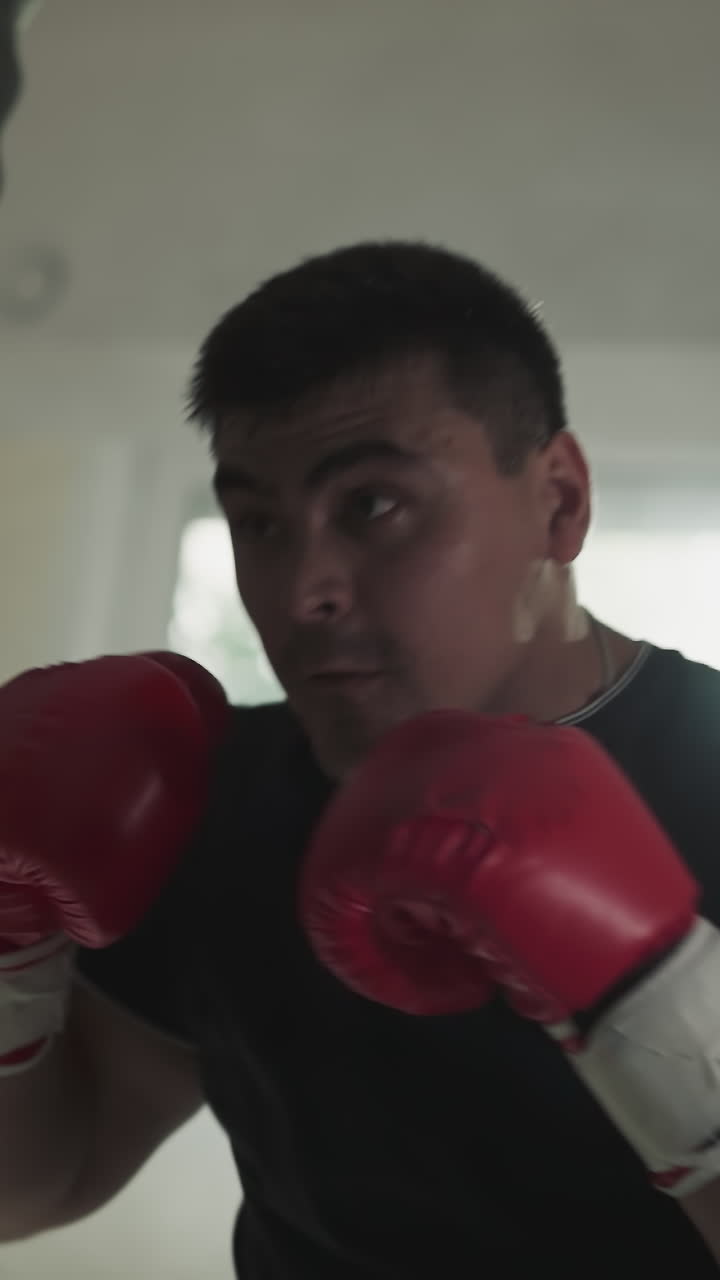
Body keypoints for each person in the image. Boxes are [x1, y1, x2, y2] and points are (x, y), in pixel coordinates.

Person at [3, 238, 720, 1277]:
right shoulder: (220, 797)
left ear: (557, 501)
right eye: (258, 521)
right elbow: (37, 1181)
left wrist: (659, 1002)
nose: (303, 589)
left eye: (374, 505)